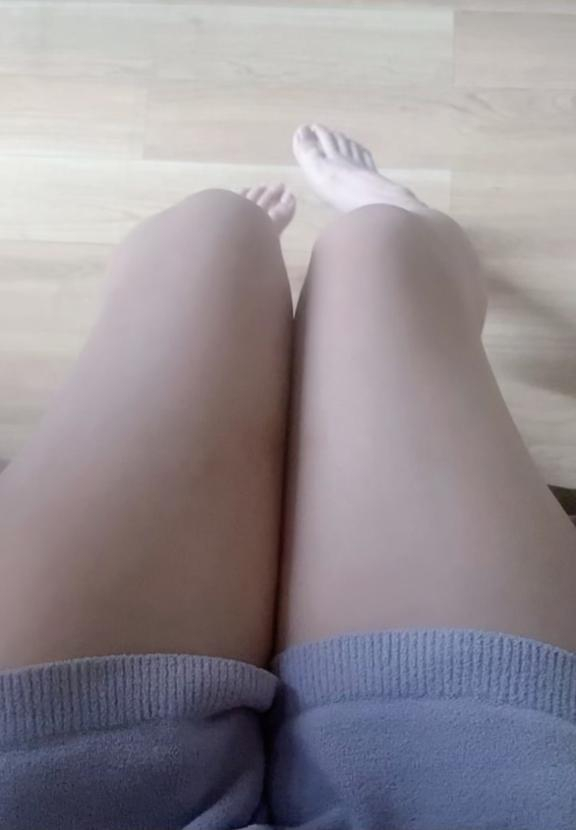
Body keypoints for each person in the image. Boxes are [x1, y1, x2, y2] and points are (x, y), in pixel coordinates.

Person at [0, 124, 575, 829]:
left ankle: (270, 273)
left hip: (35, 781)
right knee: (379, 250)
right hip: (482, 791)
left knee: (212, 231)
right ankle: (393, 218)